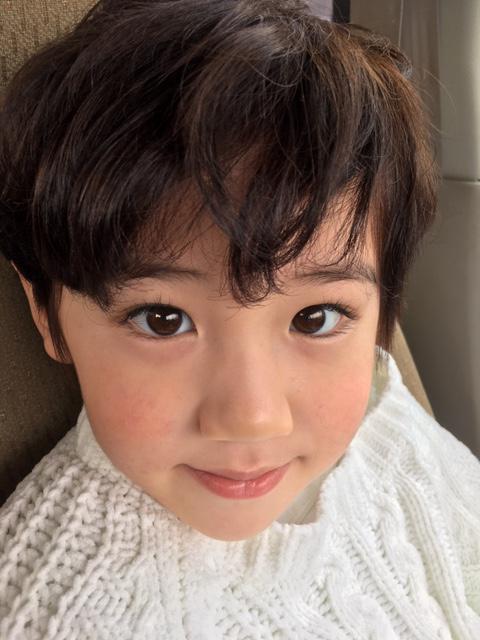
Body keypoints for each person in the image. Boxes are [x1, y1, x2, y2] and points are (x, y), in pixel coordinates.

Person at [0, 0, 479, 637]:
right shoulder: (63, 612)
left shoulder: (383, 407)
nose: (253, 416)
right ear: (44, 311)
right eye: (162, 319)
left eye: (315, 318)